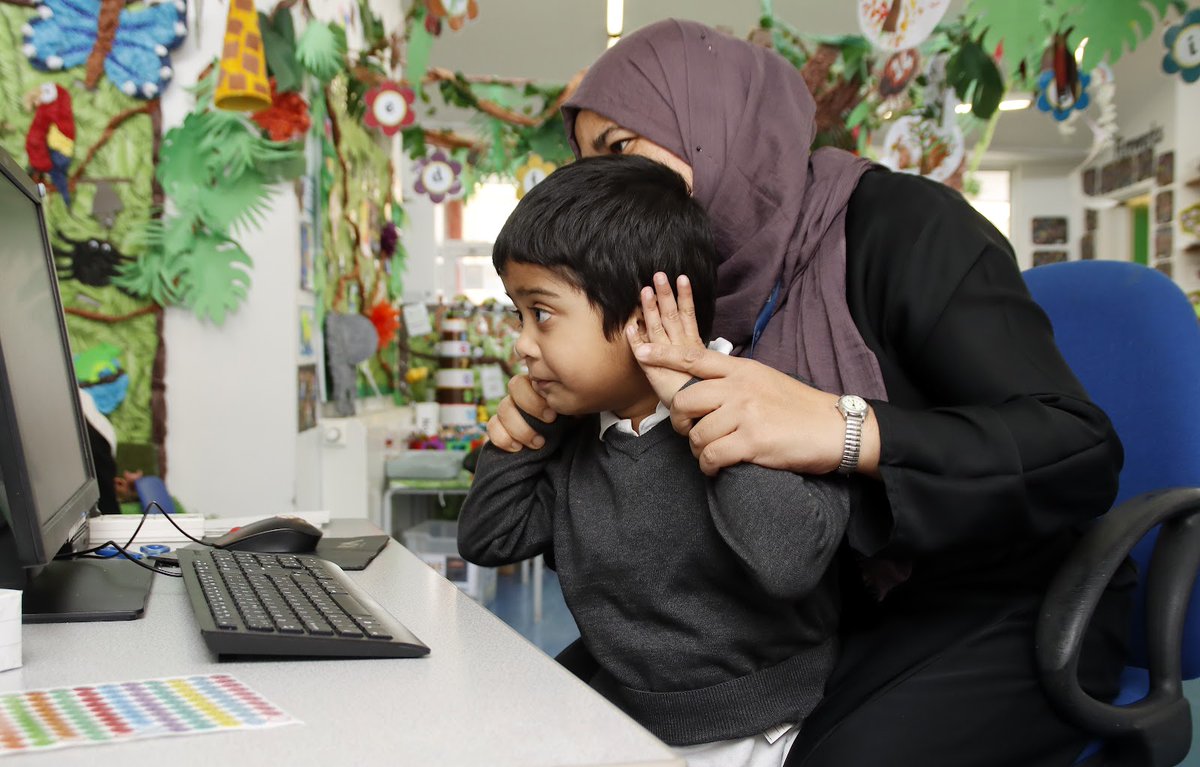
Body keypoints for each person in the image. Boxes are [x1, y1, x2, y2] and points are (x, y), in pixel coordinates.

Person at [488, 19, 1134, 767]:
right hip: (811, 605)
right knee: (540, 719)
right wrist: (539, 422)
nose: (599, 181)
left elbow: (1078, 449)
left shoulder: (904, 226)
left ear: (713, 126)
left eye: (620, 148)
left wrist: (842, 428)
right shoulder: (672, 293)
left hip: (1000, 596)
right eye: (584, 161)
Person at [458, 154, 851, 766]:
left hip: (763, 734)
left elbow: (788, 562)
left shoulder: (764, 405)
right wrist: (523, 428)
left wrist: (701, 408)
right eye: (519, 315)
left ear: (643, 321)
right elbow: (489, 538)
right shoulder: (581, 436)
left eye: (542, 314)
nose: (522, 344)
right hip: (629, 723)